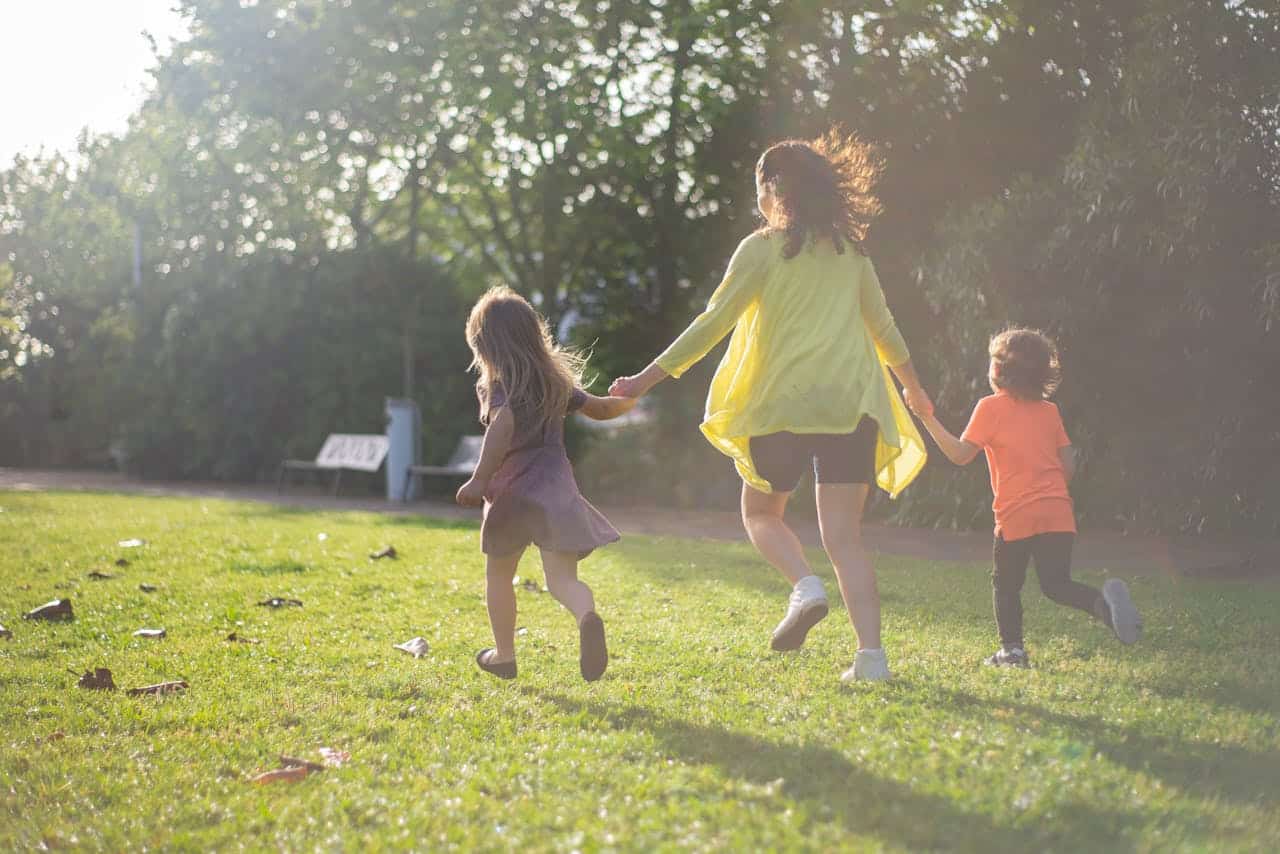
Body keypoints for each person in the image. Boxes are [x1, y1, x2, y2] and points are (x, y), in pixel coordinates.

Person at [610, 131, 931, 682]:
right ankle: (871, 660)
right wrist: (913, 388)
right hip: (849, 404)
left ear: (772, 191)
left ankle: (805, 589)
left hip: (782, 403)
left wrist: (644, 379)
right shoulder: (852, 253)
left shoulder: (761, 247)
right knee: (845, 538)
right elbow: (886, 328)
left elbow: (712, 322)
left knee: (760, 513)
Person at [915, 328, 1141, 667]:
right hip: (1057, 511)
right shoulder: (1049, 411)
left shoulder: (989, 407)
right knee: (1056, 584)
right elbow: (1069, 465)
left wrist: (926, 418)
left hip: (1016, 514)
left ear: (999, 371)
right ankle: (1103, 606)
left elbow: (961, 455)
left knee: (1006, 585)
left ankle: (1012, 651)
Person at [457, 286, 636, 682]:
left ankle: (504, 655)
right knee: (563, 581)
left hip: (511, 496)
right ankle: (587, 617)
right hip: (556, 493)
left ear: (484, 345)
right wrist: (629, 399)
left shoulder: (499, 384)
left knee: (499, 576)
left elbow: (502, 426)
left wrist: (479, 479)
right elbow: (602, 410)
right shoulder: (555, 383)